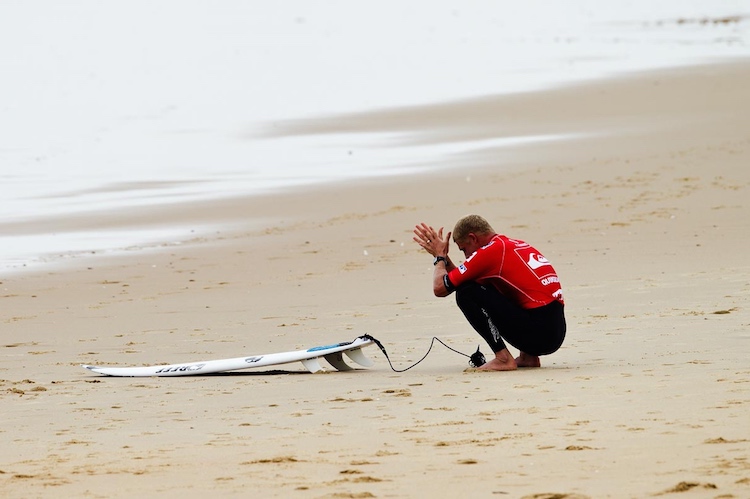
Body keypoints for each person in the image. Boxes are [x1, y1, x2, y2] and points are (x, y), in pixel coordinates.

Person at [413, 215, 566, 371]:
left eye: (464, 249)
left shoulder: (489, 253)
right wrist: (444, 258)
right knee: (493, 285)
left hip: (539, 334)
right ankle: (528, 357)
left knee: (466, 293)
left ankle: (503, 358)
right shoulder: (511, 244)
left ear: (473, 238)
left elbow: (440, 288)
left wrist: (439, 258)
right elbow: (461, 279)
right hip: (554, 329)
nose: (466, 257)